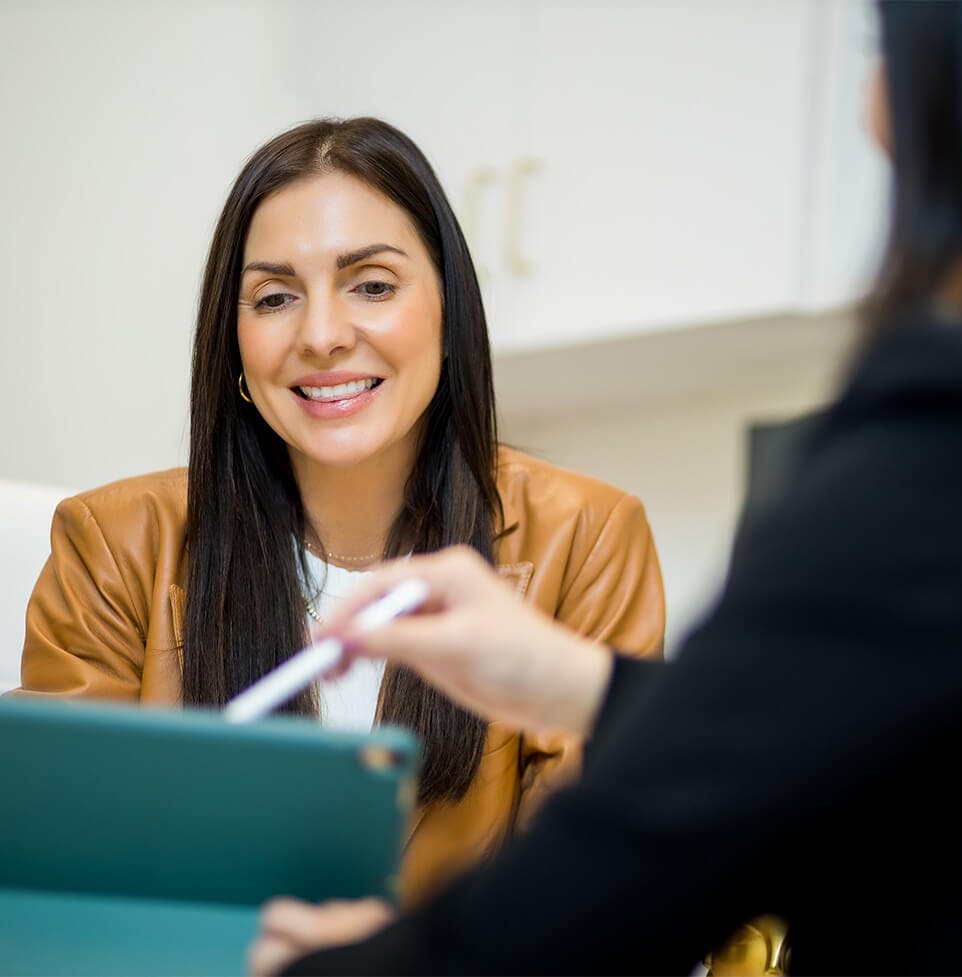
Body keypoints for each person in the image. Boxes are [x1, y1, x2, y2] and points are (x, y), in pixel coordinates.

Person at [249, 2, 962, 974]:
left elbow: (634, 873)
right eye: (275, 293)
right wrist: (576, 679)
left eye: (885, 51)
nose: (871, 110)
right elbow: (903, 764)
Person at [16, 117, 665, 904]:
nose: (322, 335)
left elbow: (591, 894)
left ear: (450, 313)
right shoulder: (113, 546)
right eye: (275, 296)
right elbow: (64, 873)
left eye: (373, 285)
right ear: (235, 347)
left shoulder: (586, 536)